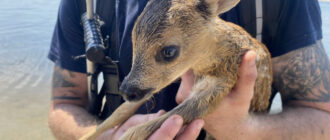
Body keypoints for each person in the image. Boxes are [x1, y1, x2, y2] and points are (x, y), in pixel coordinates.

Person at [48, 0, 330, 139]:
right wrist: (105, 136)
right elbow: (64, 104)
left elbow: (321, 119)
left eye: (168, 52)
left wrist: (243, 130)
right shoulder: (91, 3)